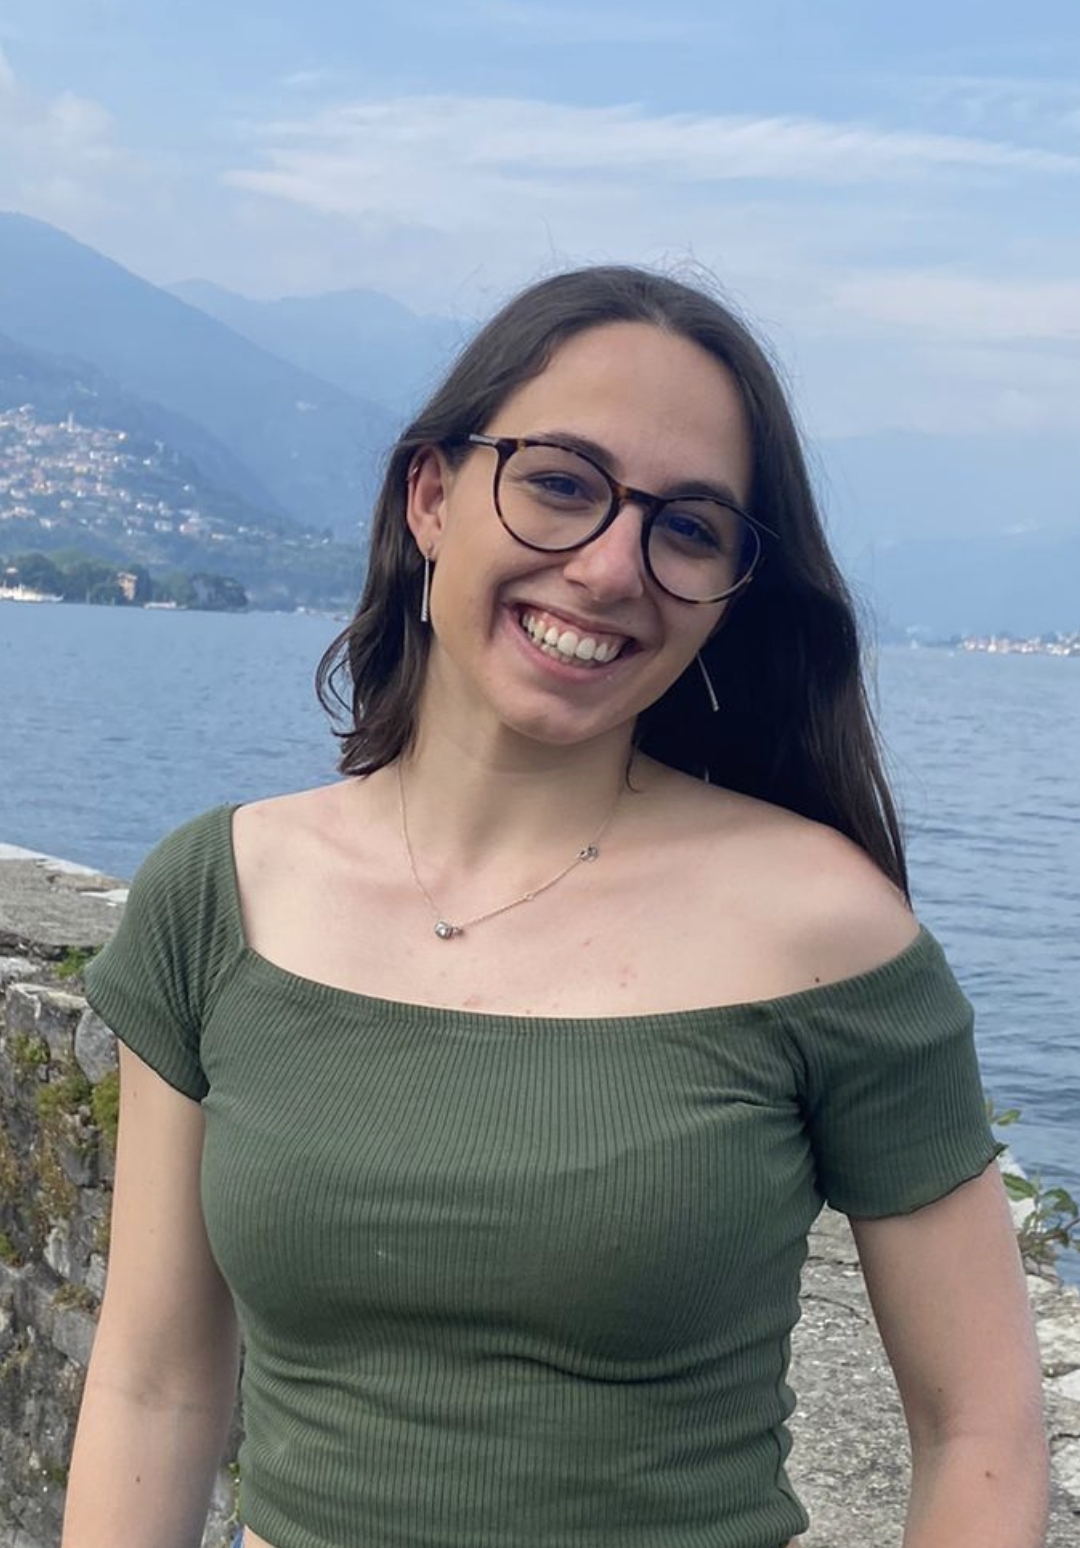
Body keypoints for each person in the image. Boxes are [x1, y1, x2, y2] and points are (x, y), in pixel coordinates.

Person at [69, 264, 1049, 1548]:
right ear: (431, 497)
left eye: (687, 528)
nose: (608, 567)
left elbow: (983, 1430)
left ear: (730, 593)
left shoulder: (827, 933)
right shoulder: (219, 898)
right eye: (561, 484)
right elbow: (152, 1389)